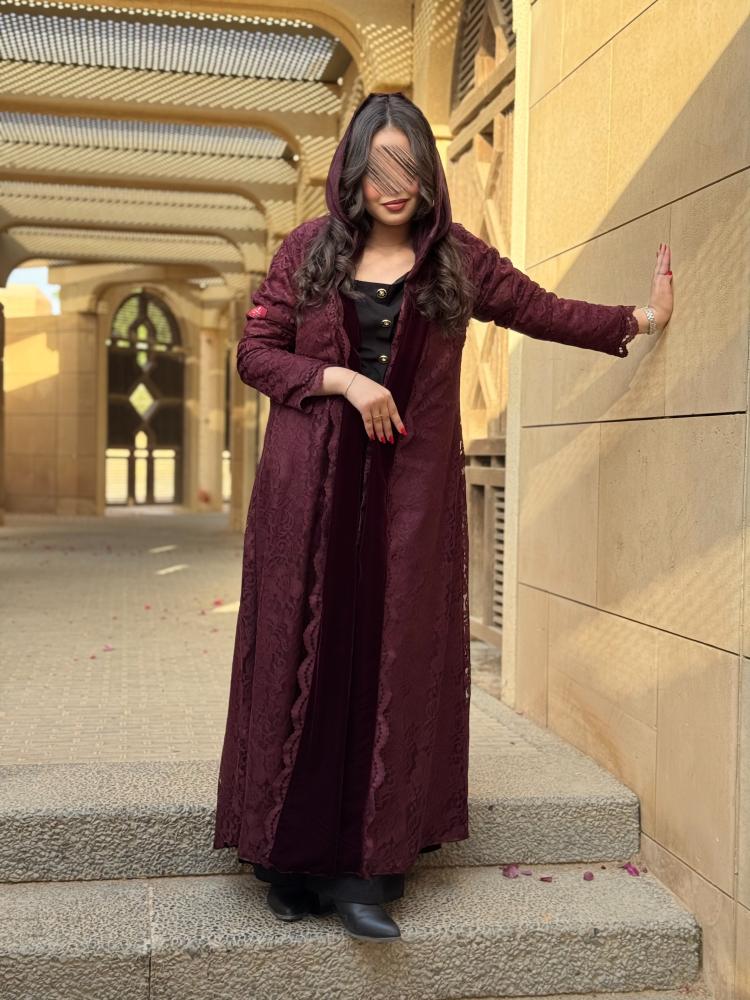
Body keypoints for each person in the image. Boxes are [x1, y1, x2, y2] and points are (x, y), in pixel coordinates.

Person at [212, 91, 674, 942]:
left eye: (411, 168)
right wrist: (343, 381)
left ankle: (366, 876)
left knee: (389, 664)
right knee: (307, 661)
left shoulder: (456, 260)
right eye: (380, 167)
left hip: (407, 503)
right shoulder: (308, 250)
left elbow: (542, 310)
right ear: (354, 170)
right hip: (308, 497)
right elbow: (256, 354)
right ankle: (288, 861)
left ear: (430, 175)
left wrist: (642, 319)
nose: (395, 185)